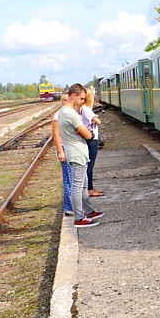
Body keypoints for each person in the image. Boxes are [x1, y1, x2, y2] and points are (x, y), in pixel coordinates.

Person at [60, 83, 103, 227]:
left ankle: (89, 211)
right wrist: (87, 132)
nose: (82, 102)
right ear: (74, 96)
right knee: (78, 186)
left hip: (78, 152)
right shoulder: (70, 114)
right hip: (77, 152)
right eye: (81, 99)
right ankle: (79, 218)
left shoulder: (62, 112)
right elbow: (87, 134)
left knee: (83, 185)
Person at [52, 93, 73, 216]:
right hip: (64, 149)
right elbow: (55, 135)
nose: (66, 101)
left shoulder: (68, 113)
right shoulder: (58, 115)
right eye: (64, 100)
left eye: (67, 99)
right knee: (68, 178)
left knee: (72, 178)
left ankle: (69, 206)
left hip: (70, 148)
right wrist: (60, 151)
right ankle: (69, 207)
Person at [80, 87, 103, 197]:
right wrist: (97, 119)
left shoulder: (84, 108)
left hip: (90, 138)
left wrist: (92, 94)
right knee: (90, 164)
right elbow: (97, 121)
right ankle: (88, 189)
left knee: (90, 164)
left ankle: (90, 188)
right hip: (91, 139)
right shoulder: (86, 109)